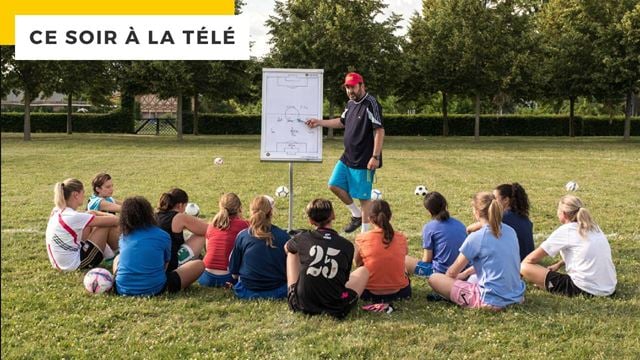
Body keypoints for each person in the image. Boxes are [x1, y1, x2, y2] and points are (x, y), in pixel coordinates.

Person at [305, 72, 385, 233]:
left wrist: (375, 156)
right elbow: (341, 122)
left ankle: (364, 234)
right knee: (334, 185)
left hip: (364, 160)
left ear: (362, 86)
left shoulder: (371, 103)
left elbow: (379, 130)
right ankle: (355, 215)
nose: (350, 91)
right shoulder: (350, 104)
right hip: (347, 157)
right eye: (347, 88)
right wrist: (319, 122)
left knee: (364, 198)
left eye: (353, 87)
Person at [429, 192, 525, 310]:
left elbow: (452, 273)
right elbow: (495, 262)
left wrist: (451, 279)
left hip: (490, 301)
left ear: (477, 212)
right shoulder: (511, 231)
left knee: (434, 278)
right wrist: (466, 273)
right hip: (517, 296)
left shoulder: (476, 238)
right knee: (472, 278)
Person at [286, 198, 369, 319]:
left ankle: (294, 291)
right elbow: (344, 280)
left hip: (301, 304)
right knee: (363, 271)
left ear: (310, 221)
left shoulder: (302, 238)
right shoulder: (347, 245)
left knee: (291, 251)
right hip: (336, 308)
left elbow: (286, 247)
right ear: (333, 215)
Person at [520, 195, 616, 297]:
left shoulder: (566, 231)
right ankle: (546, 284)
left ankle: (545, 285)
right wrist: (558, 264)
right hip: (609, 288)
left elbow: (530, 260)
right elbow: (583, 253)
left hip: (584, 289)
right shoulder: (594, 227)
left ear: (564, 214)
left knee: (524, 266)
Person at [113, 196, 204, 296]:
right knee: (199, 264)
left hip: (121, 288)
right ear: (149, 213)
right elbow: (166, 265)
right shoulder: (162, 235)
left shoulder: (123, 237)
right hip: (156, 288)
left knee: (117, 258)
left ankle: (120, 279)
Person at [45, 178, 120, 271]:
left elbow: (88, 215)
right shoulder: (73, 216)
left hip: (61, 263)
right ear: (76, 195)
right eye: (83, 193)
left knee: (90, 216)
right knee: (104, 225)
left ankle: (110, 255)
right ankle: (115, 256)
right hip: (74, 264)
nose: (84, 196)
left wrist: (93, 212)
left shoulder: (58, 210)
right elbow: (115, 220)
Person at [228, 195, 289, 299]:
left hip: (247, 291)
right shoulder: (284, 236)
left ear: (251, 212)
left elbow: (233, 271)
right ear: (271, 212)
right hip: (278, 290)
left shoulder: (243, 236)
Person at [355, 200, 411, 303]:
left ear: (370, 218)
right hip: (401, 292)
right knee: (403, 266)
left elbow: (358, 264)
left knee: (360, 270)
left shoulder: (361, 238)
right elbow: (404, 255)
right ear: (390, 217)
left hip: (368, 293)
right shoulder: (401, 237)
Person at [405, 192, 467, 278]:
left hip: (441, 272)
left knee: (404, 259)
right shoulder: (460, 224)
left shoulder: (429, 227)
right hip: (461, 269)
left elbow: (427, 259)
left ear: (429, 211)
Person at [467, 183, 534, 260]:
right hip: (527, 263)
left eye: (494, 198)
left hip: (515, 265)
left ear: (506, 200)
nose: (492, 201)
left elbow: (470, 229)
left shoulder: (502, 218)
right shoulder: (524, 218)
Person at [198, 193, 249, 287]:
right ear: (240, 208)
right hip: (229, 277)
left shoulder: (212, 225)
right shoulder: (245, 225)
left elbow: (208, 249)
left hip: (206, 276)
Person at [155, 188, 207, 272]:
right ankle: (211, 262)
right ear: (180, 205)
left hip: (157, 262)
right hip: (172, 263)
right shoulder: (179, 217)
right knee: (201, 235)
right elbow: (207, 229)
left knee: (186, 235)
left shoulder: (155, 215)